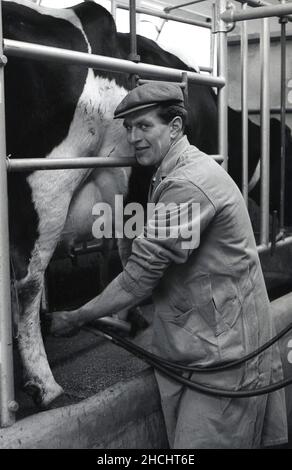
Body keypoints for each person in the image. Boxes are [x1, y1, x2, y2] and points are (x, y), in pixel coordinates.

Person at [51, 82, 287, 449]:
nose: (134, 137)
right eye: (129, 128)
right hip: (202, 343)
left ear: (175, 127)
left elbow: (136, 283)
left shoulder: (187, 183)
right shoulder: (171, 171)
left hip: (223, 358)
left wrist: (77, 316)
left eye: (145, 126)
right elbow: (152, 246)